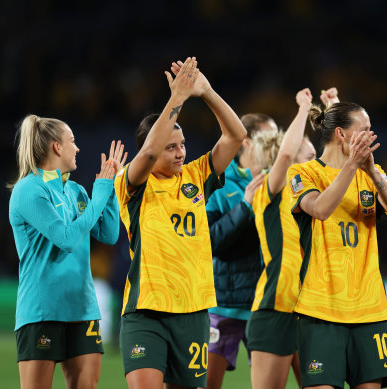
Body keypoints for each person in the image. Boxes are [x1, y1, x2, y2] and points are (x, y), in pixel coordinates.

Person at [114, 57, 246, 389]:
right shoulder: (132, 184)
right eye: (170, 147)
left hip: (194, 311)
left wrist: (206, 92)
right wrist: (177, 98)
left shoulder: (197, 176)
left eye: (183, 145)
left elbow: (236, 135)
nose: (180, 153)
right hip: (147, 311)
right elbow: (145, 156)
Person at [287, 98, 387, 388]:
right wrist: (352, 165)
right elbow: (320, 209)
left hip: (370, 309)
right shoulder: (303, 173)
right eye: (364, 129)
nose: (371, 135)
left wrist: (374, 174)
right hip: (321, 309)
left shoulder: (371, 175)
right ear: (341, 134)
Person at [8, 114, 126, 389]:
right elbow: (66, 238)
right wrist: (99, 193)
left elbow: (109, 234)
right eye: (72, 141)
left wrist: (109, 191)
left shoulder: (75, 190)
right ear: (57, 148)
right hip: (42, 311)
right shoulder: (29, 189)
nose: (78, 148)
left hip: (83, 309)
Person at [246, 87, 317, 389]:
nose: (316, 162)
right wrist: (303, 108)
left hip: (310, 310)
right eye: (310, 155)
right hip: (276, 309)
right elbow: (287, 153)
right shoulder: (270, 191)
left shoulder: (313, 196)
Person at [201, 111, 276, 389]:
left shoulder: (277, 182)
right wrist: (245, 206)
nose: (275, 144)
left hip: (264, 305)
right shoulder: (219, 183)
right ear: (245, 142)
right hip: (224, 306)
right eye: (268, 137)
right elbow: (212, 242)